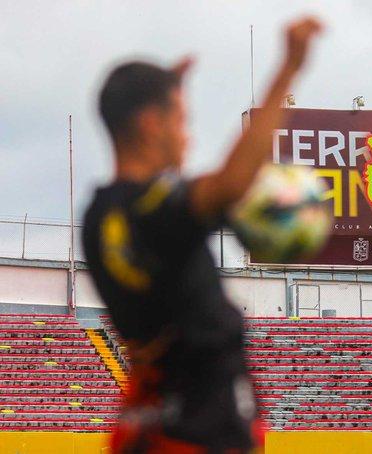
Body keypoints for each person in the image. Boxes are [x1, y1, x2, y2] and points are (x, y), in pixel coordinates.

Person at [82, 17, 322, 454]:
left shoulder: (101, 215)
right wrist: (290, 67)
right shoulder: (155, 209)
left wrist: (160, 89)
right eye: (181, 119)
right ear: (151, 124)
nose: (186, 135)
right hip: (199, 428)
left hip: (150, 421)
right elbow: (232, 183)